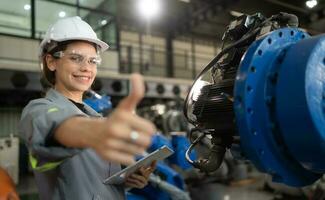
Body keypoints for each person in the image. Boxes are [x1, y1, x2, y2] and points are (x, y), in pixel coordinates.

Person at [19, 16, 157, 200]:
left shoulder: (98, 120)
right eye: (76, 58)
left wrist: (127, 179)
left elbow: (95, 181)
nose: (86, 68)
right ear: (51, 62)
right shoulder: (37, 110)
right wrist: (89, 130)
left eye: (92, 61)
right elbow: (54, 127)